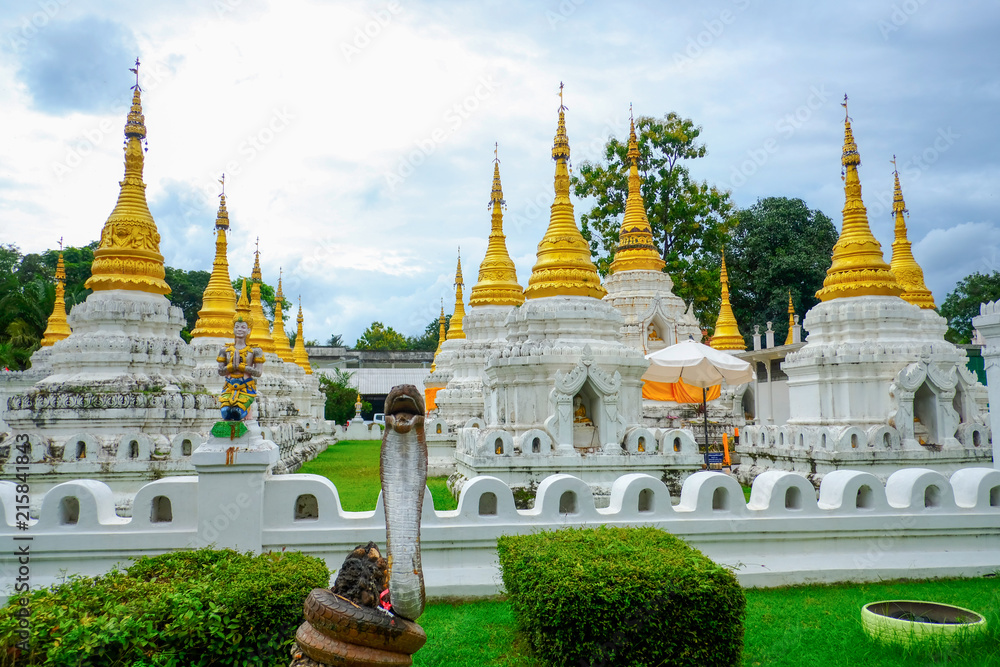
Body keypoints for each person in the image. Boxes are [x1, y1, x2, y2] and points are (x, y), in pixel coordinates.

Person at [217, 317, 265, 421]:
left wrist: (244, 368)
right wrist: (230, 367)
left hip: (246, 388)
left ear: (248, 331)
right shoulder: (225, 350)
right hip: (229, 387)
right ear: (233, 329)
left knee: (237, 413)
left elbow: (258, 372)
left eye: (243, 327)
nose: (239, 329)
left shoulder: (255, 350)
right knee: (225, 413)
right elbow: (220, 371)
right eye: (237, 327)